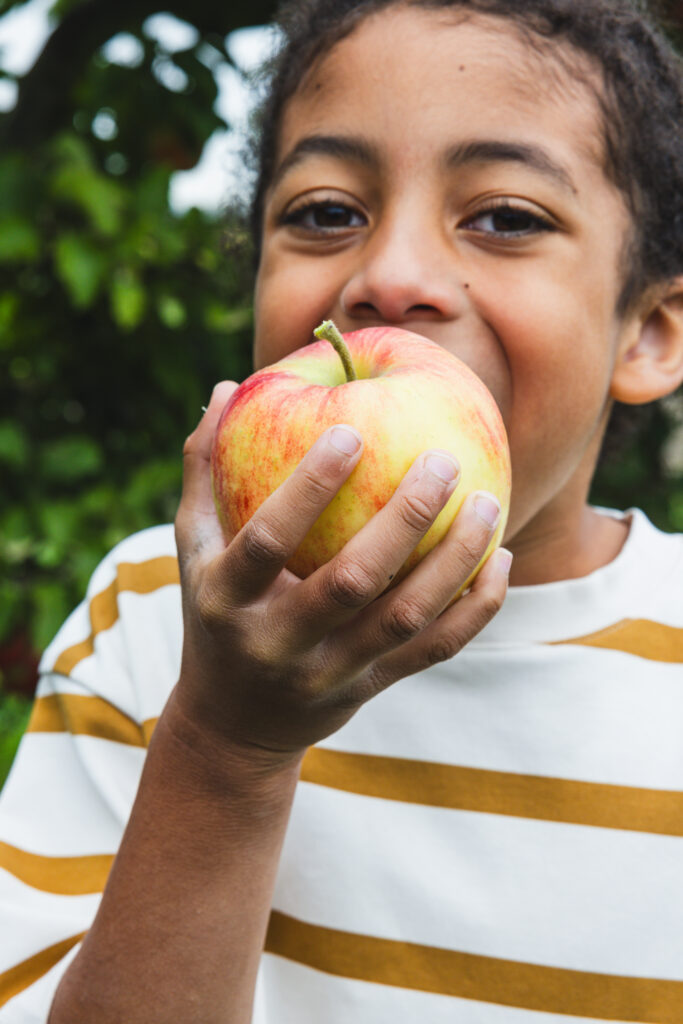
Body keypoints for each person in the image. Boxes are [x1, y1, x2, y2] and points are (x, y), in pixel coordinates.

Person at [1, 0, 683, 1019]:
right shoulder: (149, 619)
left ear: (649, 332)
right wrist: (227, 746)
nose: (388, 277)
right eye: (325, 212)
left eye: (503, 216)